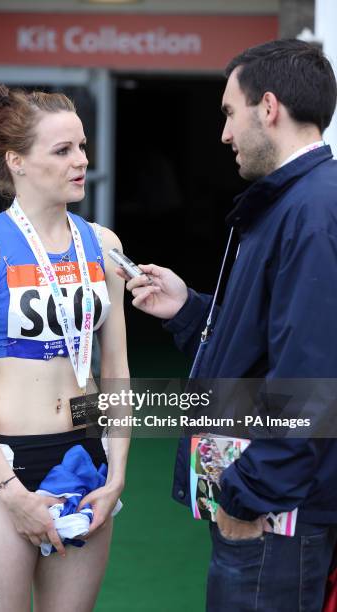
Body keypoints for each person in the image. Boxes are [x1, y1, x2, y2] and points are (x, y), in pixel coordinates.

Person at [118, 39, 337, 611]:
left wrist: (245, 498)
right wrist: (190, 309)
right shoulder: (293, 202)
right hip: (269, 505)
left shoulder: (312, 212)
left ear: (268, 108)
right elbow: (270, 336)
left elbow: (314, 380)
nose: (223, 134)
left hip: (274, 517)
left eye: (228, 113)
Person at [0, 84, 130, 612]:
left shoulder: (104, 243)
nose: (82, 161)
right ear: (17, 162)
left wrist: (116, 473)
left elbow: (115, 368)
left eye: (82, 146)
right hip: (8, 465)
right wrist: (9, 490)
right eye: (63, 150)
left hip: (88, 458)